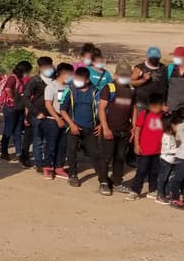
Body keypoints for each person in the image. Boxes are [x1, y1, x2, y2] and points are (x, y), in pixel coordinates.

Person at [94, 63, 134, 196]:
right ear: (116, 75)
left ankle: (117, 182)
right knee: (106, 157)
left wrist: (134, 127)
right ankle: (103, 182)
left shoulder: (131, 89)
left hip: (124, 130)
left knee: (120, 158)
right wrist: (105, 128)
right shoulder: (109, 88)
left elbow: (133, 109)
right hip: (110, 129)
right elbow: (101, 109)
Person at [60, 66, 98, 188]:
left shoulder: (95, 91)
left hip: (90, 127)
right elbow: (62, 110)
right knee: (71, 151)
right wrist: (72, 125)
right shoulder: (70, 90)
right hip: (73, 127)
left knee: (94, 152)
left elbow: (101, 108)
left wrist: (101, 124)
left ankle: (102, 176)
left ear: (87, 80)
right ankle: (73, 175)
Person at [127, 94, 166, 201]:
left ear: (162, 105)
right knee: (141, 171)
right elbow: (138, 130)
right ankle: (135, 191)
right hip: (144, 150)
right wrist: (136, 144)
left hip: (158, 150)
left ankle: (152, 190)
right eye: (152, 107)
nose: (154, 109)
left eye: (156, 106)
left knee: (155, 171)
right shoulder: (144, 114)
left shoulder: (165, 115)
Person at [158, 109, 184, 209]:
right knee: (176, 178)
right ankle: (173, 198)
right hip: (177, 157)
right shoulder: (181, 127)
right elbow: (166, 150)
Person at [40, 63, 74, 180]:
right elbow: (48, 104)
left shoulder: (69, 87)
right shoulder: (51, 87)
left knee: (62, 145)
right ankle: (47, 167)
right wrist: (57, 118)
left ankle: (59, 167)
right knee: (50, 145)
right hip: (52, 120)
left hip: (66, 120)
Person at [0, 60, 30, 162]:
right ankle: (4, 152)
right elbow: (8, 89)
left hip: (18, 107)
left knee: (18, 131)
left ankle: (18, 153)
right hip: (11, 107)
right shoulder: (13, 78)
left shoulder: (19, 78)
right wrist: (13, 99)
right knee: (9, 129)